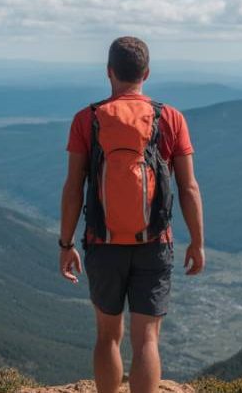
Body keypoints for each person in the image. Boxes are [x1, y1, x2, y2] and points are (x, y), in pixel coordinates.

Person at [58, 36, 206, 393]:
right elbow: (188, 187)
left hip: (103, 241)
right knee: (146, 340)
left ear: (109, 72)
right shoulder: (170, 119)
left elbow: (73, 188)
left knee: (108, 336)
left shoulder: (87, 120)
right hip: (154, 242)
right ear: (147, 73)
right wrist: (197, 242)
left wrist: (66, 244)